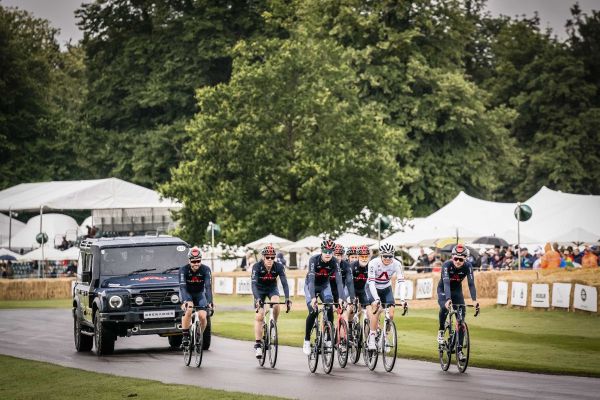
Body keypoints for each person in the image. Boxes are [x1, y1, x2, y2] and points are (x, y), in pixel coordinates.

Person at [436, 244, 478, 362]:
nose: (458, 261)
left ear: (466, 259)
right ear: (452, 257)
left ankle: (459, 351)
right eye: (456, 258)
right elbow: (446, 283)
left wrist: (474, 301)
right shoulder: (446, 265)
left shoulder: (468, 266)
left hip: (457, 292)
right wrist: (448, 299)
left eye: (461, 259)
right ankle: (441, 331)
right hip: (444, 290)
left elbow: (471, 284)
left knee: (460, 320)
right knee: (444, 308)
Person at [302, 239, 345, 355]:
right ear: (321, 251)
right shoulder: (313, 260)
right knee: (313, 311)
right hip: (311, 285)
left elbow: (339, 281)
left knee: (329, 305)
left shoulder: (335, 262)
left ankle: (328, 339)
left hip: (324, 286)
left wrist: (341, 297)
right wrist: (312, 297)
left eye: (330, 251)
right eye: (325, 251)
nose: (328, 253)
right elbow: (311, 280)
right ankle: (306, 340)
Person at [251, 245, 291, 358]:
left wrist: (287, 298)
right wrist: (258, 299)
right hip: (259, 290)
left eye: (272, 257)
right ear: (263, 257)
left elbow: (284, 283)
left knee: (276, 303)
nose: (270, 259)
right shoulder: (256, 267)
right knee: (259, 316)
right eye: (267, 257)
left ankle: (274, 323)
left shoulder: (278, 266)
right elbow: (253, 284)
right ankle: (258, 345)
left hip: (272, 289)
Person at [366, 243, 407, 350]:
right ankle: (371, 338)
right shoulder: (373, 263)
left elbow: (401, 282)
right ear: (381, 255)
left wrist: (403, 299)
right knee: (377, 308)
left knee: (391, 314)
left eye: (390, 256)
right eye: (385, 256)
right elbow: (371, 283)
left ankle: (384, 338)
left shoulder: (397, 264)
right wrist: (376, 299)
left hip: (386, 288)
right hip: (373, 287)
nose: (388, 259)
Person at [179, 246, 213, 348]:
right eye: (193, 262)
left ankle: (198, 335)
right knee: (189, 309)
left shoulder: (205, 269)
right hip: (186, 293)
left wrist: (210, 302)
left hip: (199, 294)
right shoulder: (183, 270)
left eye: (198, 261)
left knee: (203, 316)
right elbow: (182, 287)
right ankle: (185, 336)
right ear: (189, 261)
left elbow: (208, 287)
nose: (196, 264)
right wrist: (185, 301)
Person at [331, 243, 356, 325]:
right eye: (336, 255)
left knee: (343, 311)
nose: (338, 257)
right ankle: (325, 332)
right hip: (329, 289)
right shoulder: (328, 264)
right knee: (328, 310)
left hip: (340, 289)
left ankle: (344, 334)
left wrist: (351, 299)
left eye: (340, 255)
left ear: (342, 256)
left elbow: (349, 282)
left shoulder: (346, 265)